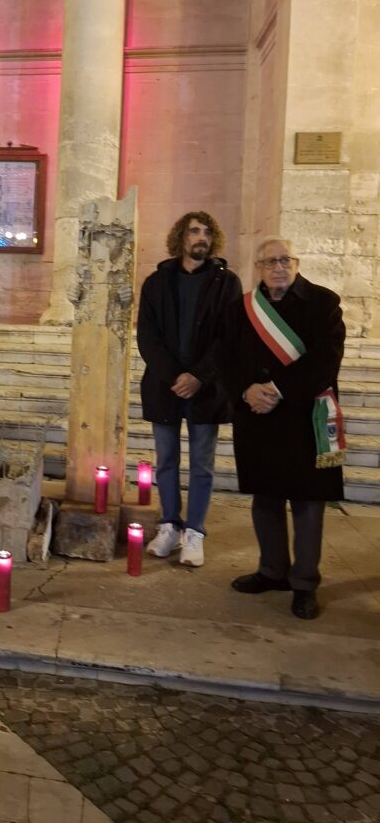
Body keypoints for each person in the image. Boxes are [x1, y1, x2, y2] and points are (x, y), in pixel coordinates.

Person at [223, 237, 345, 620]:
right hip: (257, 415)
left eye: (285, 260)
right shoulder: (240, 309)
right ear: (258, 267)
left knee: (308, 501)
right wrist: (246, 390)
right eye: (270, 261)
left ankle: (305, 582)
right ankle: (272, 570)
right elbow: (225, 357)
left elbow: (326, 360)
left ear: (296, 263)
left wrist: (277, 389)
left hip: (304, 413)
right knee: (266, 497)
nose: (278, 267)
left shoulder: (324, 303)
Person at [137, 211, 242, 567]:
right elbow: (147, 336)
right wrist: (173, 376)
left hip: (207, 387)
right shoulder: (156, 282)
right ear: (181, 237)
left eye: (207, 232)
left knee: (202, 464)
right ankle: (168, 525)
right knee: (165, 461)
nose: (201, 237)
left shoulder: (226, 283)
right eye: (194, 231)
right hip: (164, 385)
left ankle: (194, 533)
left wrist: (198, 376)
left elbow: (229, 338)